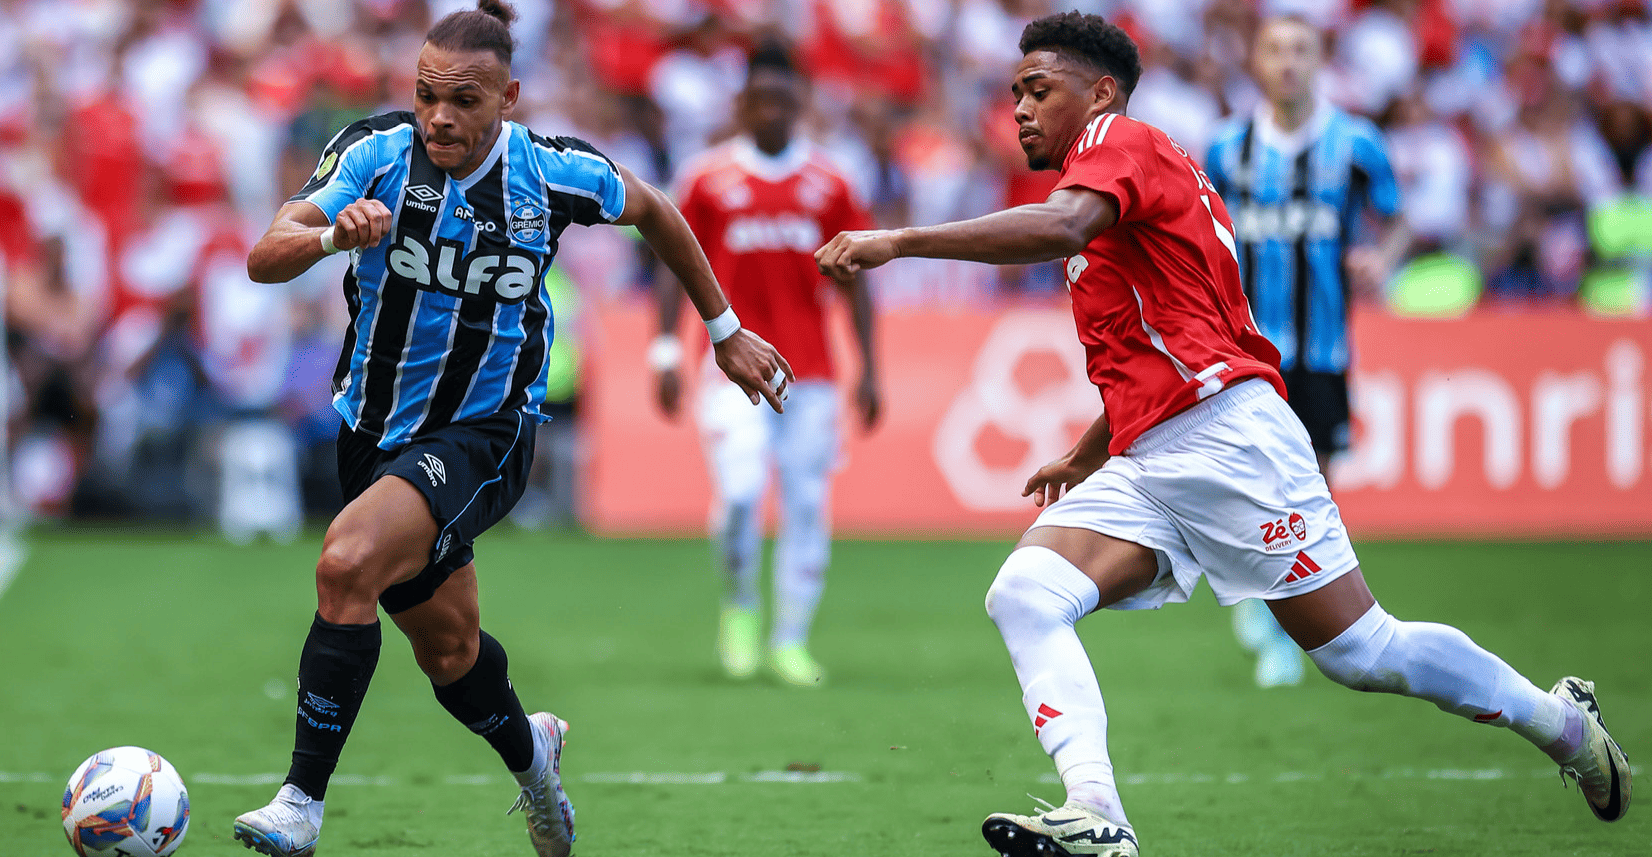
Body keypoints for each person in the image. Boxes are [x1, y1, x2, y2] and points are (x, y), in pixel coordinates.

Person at [816, 12, 1631, 857]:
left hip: (1229, 439)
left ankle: (1563, 724)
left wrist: (898, 240)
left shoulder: (1120, 143)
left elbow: (1061, 232)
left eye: (1037, 89)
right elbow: (1177, 328)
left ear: (1098, 92)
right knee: (1025, 594)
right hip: (1156, 449)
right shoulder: (1128, 170)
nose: (1019, 108)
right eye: (1015, 91)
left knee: (1360, 650)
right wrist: (1088, 451)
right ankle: (1097, 810)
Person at [231, 4, 793, 857]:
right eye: (426, 96)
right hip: (371, 432)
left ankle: (301, 804)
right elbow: (266, 252)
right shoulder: (374, 153)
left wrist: (723, 332)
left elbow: (657, 211)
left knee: (345, 562)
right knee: (450, 654)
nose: (440, 117)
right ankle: (536, 759)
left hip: (486, 434)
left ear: (510, 98)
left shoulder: (551, 174)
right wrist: (325, 236)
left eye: (463, 99)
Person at [651, 43, 880, 687]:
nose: (771, 111)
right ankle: (741, 609)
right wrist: (665, 347)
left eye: (783, 99)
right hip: (733, 371)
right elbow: (674, 265)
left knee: (806, 506)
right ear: (743, 105)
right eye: (760, 99)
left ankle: (791, 641)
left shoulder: (831, 184)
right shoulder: (707, 177)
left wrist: (872, 368)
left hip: (813, 375)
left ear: (799, 105)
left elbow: (859, 283)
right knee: (744, 495)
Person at [1203, 15, 1410, 689]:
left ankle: (1285, 617)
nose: (1288, 62)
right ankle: (1268, 616)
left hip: (1322, 349)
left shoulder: (1356, 142)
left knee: (1314, 489)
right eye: (1275, 49)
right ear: (1257, 63)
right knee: (1252, 482)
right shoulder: (1226, 147)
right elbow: (1201, 231)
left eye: (1300, 50)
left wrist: (1383, 256)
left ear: (1319, 61)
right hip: (1246, 349)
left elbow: (1398, 216)